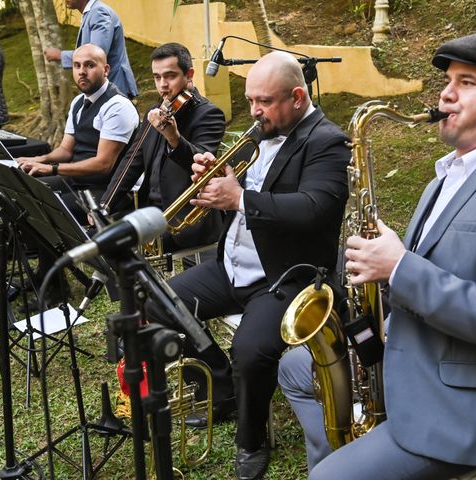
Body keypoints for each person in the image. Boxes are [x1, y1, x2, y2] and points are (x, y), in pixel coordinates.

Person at [279, 32, 476, 480]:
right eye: (448, 80)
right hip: (413, 358)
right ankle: (339, 453)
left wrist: (398, 266)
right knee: (296, 367)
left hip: (467, 409)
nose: (446, 93)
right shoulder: (443, 178)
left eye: (468, 82)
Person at [146, 51, 349, 480]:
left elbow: (316, 208)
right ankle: (222, 389)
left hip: (286, 276)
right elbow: (228, 174)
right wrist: (194, 160)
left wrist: (239, 198)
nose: (254, 112)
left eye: (264, 101)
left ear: (297, 97)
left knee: (251, 353)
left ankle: (251, 439)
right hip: (233, 267)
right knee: (159, 301)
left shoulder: (326, 140)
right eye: (251, 100)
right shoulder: (263, 130)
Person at [17, 43, 138, 304]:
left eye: (90, 65)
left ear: (105, 69)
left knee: (45, 203)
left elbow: (103, 165)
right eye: (77, 65)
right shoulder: (78, 103)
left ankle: (57, 289)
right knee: (25, 189)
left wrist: (51, 169)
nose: (82, 72)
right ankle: (47, 272)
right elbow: (65, 149)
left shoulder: (118, 106)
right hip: (77, 181)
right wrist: (38, 160)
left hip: (104, 191)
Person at [99, 42, 225, 253]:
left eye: (170, 76)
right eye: (157, 77)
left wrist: (174, 138)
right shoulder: (156, 111)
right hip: (151, 212)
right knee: (100, 237)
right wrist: (106, 204)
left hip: (186, 219)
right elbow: (132, 162)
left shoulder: (208, 114)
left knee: (120, 247)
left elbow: (203, 165)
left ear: (189, 74)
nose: (163, 85)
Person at [44, 0, 138, 99]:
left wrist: (60, 55)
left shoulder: (99, 13)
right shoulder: (91, 13)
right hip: (102, 90)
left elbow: (95, 54)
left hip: (114, 86)